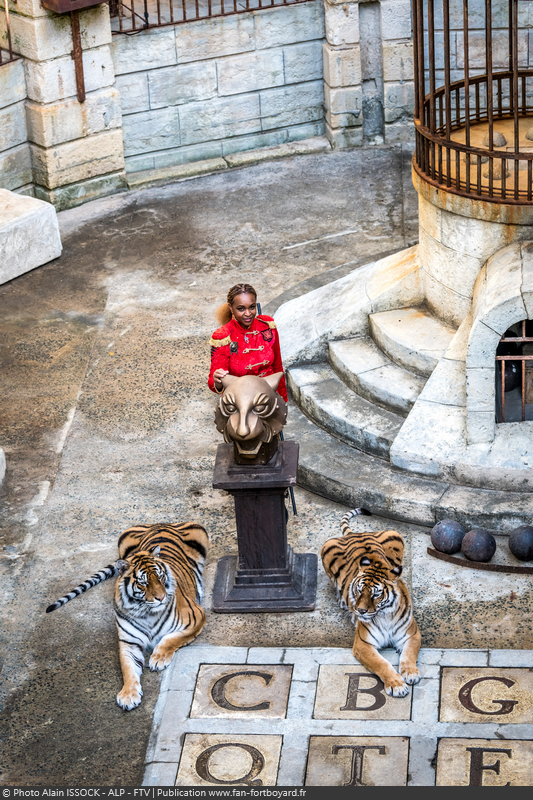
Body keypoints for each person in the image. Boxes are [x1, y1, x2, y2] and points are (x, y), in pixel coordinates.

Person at [208, 283, 288, 401]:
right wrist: (218, 381)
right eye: (241, 309)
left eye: (252, 307)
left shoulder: (268, 327)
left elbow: (277, 366)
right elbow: (213, 383)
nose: (248, 313)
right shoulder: (223, 337)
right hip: (240, 399)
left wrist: (283, 400)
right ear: (231, 308)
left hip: (268, 395)